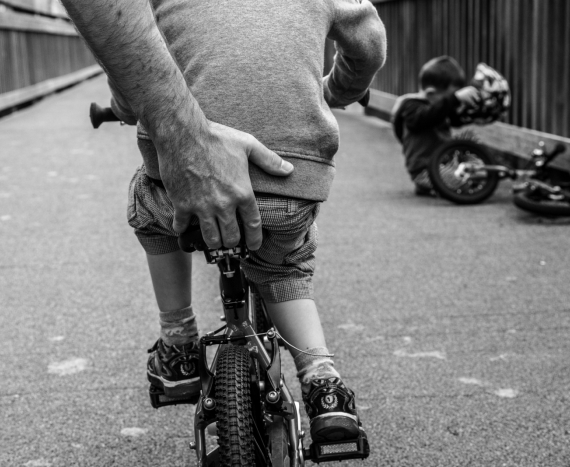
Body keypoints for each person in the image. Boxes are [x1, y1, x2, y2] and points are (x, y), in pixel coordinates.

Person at [69, 0, 386, 445]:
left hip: (181, 189)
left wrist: (124, 108)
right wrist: (336, 90)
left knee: (147, 210)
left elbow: (133, 66)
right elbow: (368, 46)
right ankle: (322, 381)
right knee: (284, 266)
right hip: (287, 180)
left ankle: (178, 345)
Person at [391, 56, 510, 196]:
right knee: (464, 183)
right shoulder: (411, 106)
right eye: (447, 97)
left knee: (469, 137)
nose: (449, 103)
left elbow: (453, 119)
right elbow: (422, 119)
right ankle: (437, 184)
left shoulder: (438, 107)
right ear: (430, 93)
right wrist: (454, 99)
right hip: (425, 169)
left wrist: (473, 112)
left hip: (445, 162)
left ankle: (479, 170)